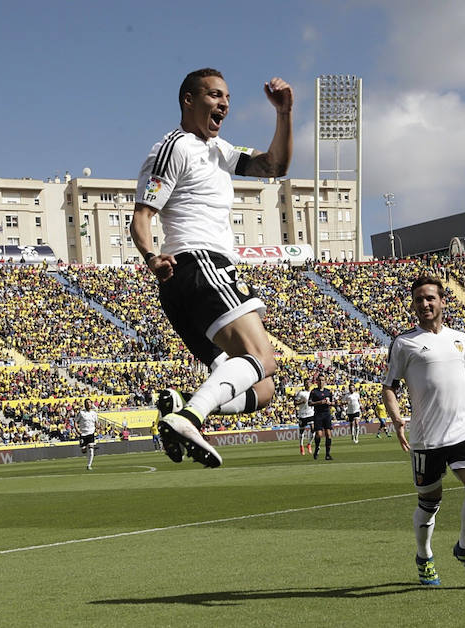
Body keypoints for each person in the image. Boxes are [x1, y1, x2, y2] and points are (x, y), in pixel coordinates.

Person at [130, 68, 293, 468]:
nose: (224, 104)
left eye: (228, 98)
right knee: (264, 357)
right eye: (215, 95)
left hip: (189, 283)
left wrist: (284, 113)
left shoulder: (221, 151)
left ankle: (184, 405)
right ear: (189, 100)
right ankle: (189, 418)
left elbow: (274, 166)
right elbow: (141, 215)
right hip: (197, 262)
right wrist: (152, 256)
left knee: (264, 386)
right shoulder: (175, 147)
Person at [382, 276, 465, 586]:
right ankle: (424, 556)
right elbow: (389, 388)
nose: (424, 304)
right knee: (429, 503)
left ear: (442, 302)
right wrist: (396, 420)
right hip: (426, 438)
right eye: (419, 299)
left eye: (430, 298)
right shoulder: (404, 342)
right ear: (413, 305)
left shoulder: (460, 338)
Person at [309, 374, 334, 460]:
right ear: (316, 382)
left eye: (322, 380)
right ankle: (317, 448)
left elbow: (333, 402)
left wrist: (330, 403)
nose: (321, 382)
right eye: (319, 380)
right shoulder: (314, 392)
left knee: (328, 434)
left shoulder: (328, 392)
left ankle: (328, 454)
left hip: (327, 414)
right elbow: (310, 403)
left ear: (325, 381)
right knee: (319, 434)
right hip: (318, 414)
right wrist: (320, 402)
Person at [77, 399, 99, 470]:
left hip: (91, 433)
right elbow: (75, 422)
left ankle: (89, 465)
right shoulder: (81, 413)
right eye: (87, 403)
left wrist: (97, 429)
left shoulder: (94, 413)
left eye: (89, 402)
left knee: (91, 450)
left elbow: (96, 423)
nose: (88, 404)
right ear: (85, 404)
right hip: (83, 434)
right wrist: (77, 430)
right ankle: (87, 446)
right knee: (83, 451)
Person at [294, 384, 315, 456]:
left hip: (311, 413)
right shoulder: (301, 393)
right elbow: (295, 402)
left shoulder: (312, 392)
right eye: (306, 383)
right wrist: (301, 402)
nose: (308, 384)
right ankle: (301, 446)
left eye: (309, 383)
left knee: (313, 428)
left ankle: (309, 444)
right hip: (302, 414)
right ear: (305, 384)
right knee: (302, 431)